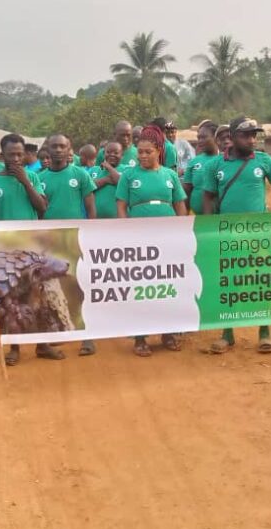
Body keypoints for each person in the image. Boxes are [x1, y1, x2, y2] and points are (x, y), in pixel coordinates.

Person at [0, 133, 65, 366]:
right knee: (12, 300)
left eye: (19, 154)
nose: (15, 158)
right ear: (1, 155)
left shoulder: (33, 176)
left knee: (40, 298)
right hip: (8, 254)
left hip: (32, 248)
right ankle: (15, 347)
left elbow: (42, 207)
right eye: (11, 154)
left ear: (25, 154)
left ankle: (42, 345)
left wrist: (25, 181)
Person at [202, 116, 271, 355]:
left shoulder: (264, 160)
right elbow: (208, 196)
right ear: (232, 136)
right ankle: (227, 334)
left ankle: (264, 332)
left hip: (258, 234)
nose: (251, 139)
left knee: (261, 282)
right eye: (245, 135)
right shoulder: (215, 166)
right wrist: (210, 226)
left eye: (254, 135)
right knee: (229, 282)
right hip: (227, 234)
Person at [116, 124, 188, 357]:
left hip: (167, 239)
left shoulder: (169, 175)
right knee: (142, 288)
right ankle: (140, 337)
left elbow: (180, 206)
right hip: (139, 241)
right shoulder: (129, 175)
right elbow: (121, 207)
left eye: (148, 152)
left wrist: (182, 232)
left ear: (158, 150)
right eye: (140, 152)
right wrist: (127, 234)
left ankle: (168, 333)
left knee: (167, 287)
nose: (143, 156)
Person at [40, 134, 98, 357]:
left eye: (62, 146)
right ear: (48, 148)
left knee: (81, 286)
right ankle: (56, 334)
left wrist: (92, 233)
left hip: (77, 238)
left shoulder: (80, 174)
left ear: (69, 149)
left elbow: (91, 207)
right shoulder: (39, 177)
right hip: (50, 240)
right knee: (51, 288)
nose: (57, 150)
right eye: (53, 146)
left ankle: (87, 337)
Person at [182, 121, 220, 214]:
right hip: (195, 217)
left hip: (221, 218)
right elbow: (187, 190)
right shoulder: (195, 161)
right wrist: (185, 214)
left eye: (204, 137)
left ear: (216, 137)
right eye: (198, 138)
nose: (200, 141)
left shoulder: (224, 160)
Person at [88, 141, 125, 219]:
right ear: (104, 154)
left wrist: (109, 167)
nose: (112, 154)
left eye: (116, 153)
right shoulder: (94, 170)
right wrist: (106, 180)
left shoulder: (127, 169)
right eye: (108, 152)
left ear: (122, 155)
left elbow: (121, 183)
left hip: (119, 219)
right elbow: (88, 187)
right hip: (96, 219)